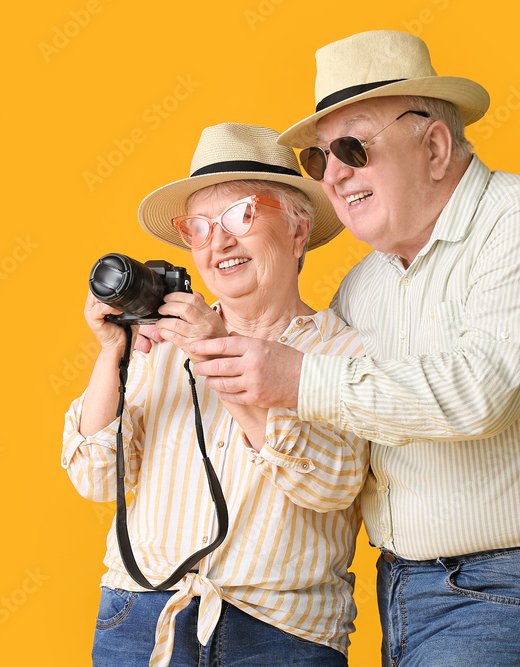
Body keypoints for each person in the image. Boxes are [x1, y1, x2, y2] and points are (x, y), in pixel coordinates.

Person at [190, 31, 520, 666]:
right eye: (319, 161)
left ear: (434, 146)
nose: (335, 175)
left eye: (352, 148)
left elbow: (479, 393)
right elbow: (340, 447)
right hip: (406, 588)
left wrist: (295, 380)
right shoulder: (363, 288)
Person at [62, 122, 370, 666]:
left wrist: (215, 347)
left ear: (298, 232)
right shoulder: (162, 340)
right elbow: (92, 476)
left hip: (280, 634)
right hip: (141, 620)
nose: (220, 241)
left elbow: (330, 484)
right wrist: (113, 352)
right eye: (199, 227)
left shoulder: (344, 352)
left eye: (242, 216)